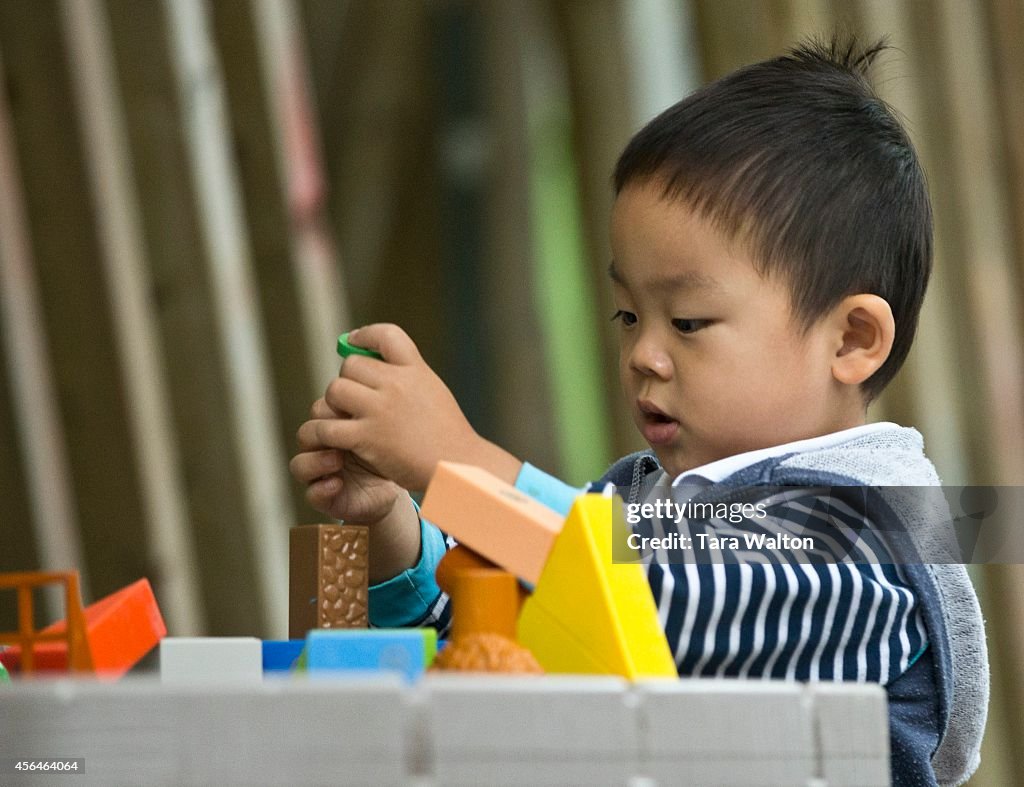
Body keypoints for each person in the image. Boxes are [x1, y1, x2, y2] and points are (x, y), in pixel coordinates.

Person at [290, 37, 986, 786]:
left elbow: (656, 597)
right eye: (628, 316)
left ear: (851, 340)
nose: (644, 355)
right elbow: (485, 645)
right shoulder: (638, 501)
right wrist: (387, 531)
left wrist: (454, 460)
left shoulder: (874, 527)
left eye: (687, 321)